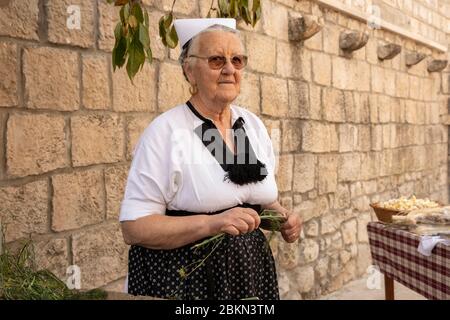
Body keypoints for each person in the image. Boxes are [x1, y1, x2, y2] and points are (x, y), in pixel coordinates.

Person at [119, 18, 302, 300]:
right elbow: (134, 228)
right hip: (188, 284)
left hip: (249, 280)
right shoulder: (166, 131)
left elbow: (254, 199)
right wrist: (212, 224)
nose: (230, 69)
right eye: (216, 60)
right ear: (189, 70)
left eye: (237, 60)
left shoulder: (250, 126)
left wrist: (282, 219)